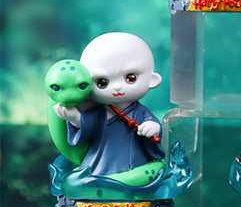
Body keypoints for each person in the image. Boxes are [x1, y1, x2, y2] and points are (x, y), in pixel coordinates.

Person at [52, 33, 165, 186]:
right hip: (100, 162)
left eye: (130, 78)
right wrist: (75, 118)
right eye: (102, 82)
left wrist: (153, 128)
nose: (117, 87)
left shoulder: (141, 113)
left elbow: (153, 128)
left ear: (153, 80)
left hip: (134, 162)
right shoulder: (99, 112)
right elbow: (88, 124)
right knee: (84, 181)